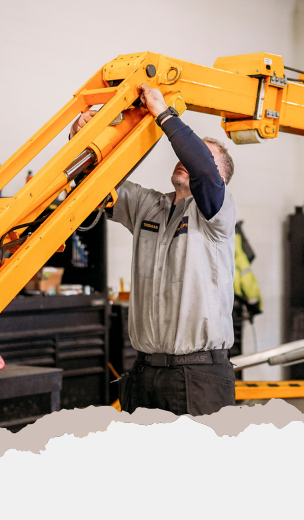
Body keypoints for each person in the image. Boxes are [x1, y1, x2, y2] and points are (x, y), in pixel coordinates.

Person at [70, 84, 236, 415]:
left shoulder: (217, 213)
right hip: (146, 373)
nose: (184, 159)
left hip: (199, 375)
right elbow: (93, 184)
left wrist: (163, 113)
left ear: (218, 177)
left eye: (199, 155)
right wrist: (84, 137)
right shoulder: (149, 207)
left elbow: (202, 168)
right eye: (187, 153)